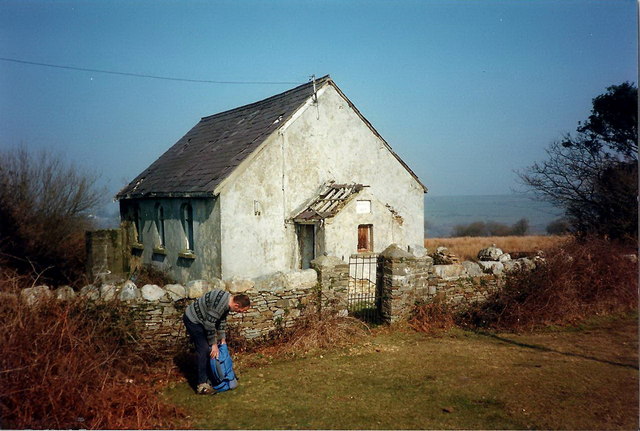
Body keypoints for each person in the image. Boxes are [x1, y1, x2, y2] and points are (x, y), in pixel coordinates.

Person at [183, 289, 250, 394]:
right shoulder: (221, 304)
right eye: (241, 310)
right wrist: (214, 344)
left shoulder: (228, 302)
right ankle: (202, 385)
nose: (241, 313)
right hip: (193, 320)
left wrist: (222, 339)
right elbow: (209, 324)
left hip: (204, 321)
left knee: (213, 349)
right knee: (205, 350)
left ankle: (217, 376)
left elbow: (221, 320)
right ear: (237, 305)